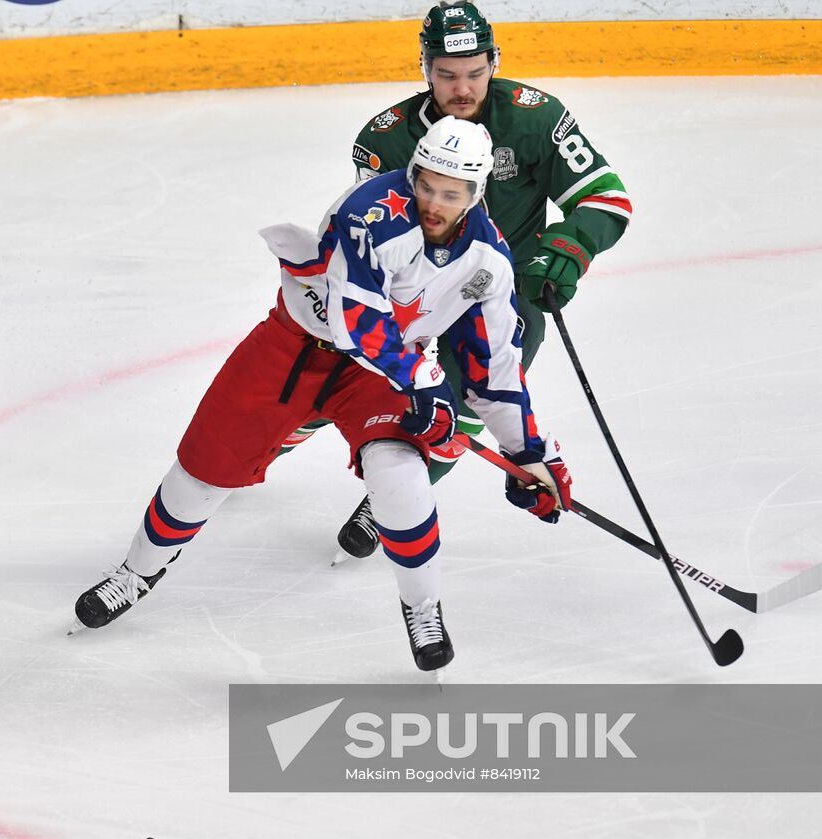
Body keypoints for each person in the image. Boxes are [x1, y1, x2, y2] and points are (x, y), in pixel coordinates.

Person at [70, 117, 572, 673]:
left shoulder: (488, 263)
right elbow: (356, 321)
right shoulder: (370, 212)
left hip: (377, 376)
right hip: (294, 349)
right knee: (202, 475)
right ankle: (137, 573)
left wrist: (527, 452)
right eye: (425, 183)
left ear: (475, 195)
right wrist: (424, 380)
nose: (433, 201)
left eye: (450, 194)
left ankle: (423, 606)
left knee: (400, 474)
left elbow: (493, 367)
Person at [289, 0, 630, 560]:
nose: (462, 87)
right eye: (446, 74)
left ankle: (401, 489)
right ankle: (288, 431)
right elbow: (376, 238)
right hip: (409, 287)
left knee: (488, 371)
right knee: (343, 363)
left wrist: (565, 251)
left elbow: (605, 197)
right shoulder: (386, 139)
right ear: (425, 69)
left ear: (495, 62)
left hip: (499, 285)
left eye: (474, 71)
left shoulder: (535, 118)